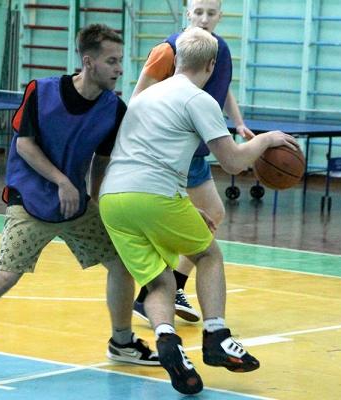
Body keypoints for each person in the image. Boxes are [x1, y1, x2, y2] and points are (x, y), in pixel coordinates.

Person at [0, 23, 160, 387]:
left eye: (120, 60)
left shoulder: (113, 108)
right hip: (30, 201)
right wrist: (62, 181)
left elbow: (103, 160)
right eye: (112, 61)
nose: (120, 69)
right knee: (4, 276)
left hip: (75, 206)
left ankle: (122, 342)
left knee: (122, 264)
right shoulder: (42, 91)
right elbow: (24, 145)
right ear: (88, 62)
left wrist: (97, 202)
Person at [99, 27, 300, 394]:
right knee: (208, 255)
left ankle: (167, 341)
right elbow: (233, 162)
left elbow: (144, 156)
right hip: (154, 195)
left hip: (113, 200)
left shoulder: (143, 96)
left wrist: (185, 206)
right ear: (211, 65)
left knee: (160, 280)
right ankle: (217, 337)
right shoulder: (199, 98)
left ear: (176, 60)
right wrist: (267, 139)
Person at [130, 0, 254, 324]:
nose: (204, 18)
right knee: (177, 224)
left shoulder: (219, 50)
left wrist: (238, 123)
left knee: (212, 214)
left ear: (220, 16)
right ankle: (157, 291)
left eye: (211, 13)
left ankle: (167, 289)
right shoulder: (167, 50)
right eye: (198, 12)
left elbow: (222, 89)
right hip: (167, 152)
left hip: (195, 151)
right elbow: (137, 99)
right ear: (188, 13)